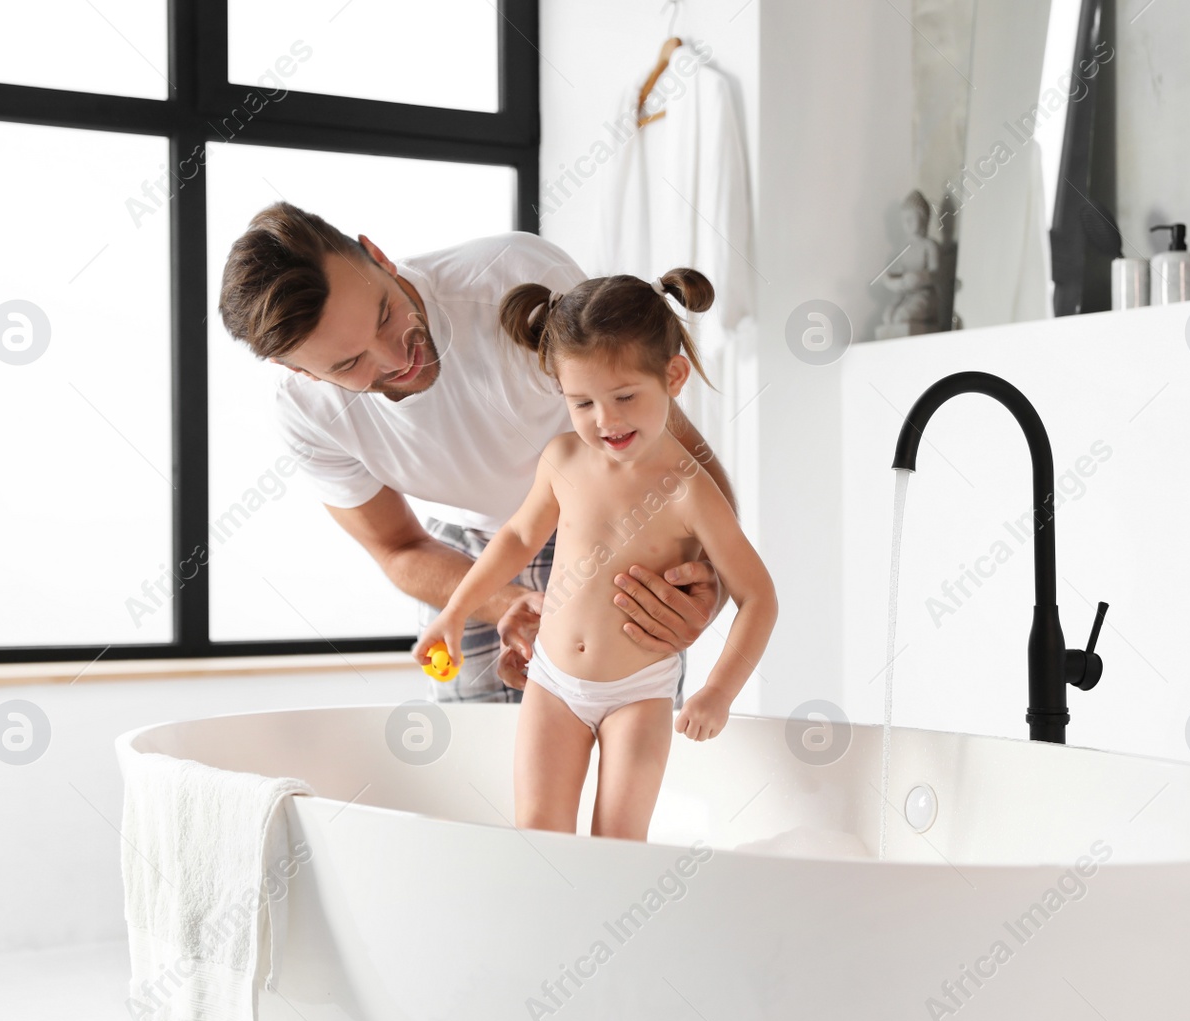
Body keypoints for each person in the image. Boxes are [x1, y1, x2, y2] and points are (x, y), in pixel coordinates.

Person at [218, 202, 738, 701]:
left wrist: (706, 585)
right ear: (302, 373)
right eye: (349, 363)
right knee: (478, 766)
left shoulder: (515, 280)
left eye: (383, 316)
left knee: (627, 750)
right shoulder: (305, 413)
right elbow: (398, 547)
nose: (397, 358)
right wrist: (508, 601)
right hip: (462, 550)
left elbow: (679, 460)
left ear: (377, 255)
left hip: (604, 518)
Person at [413, 269, 777, 841]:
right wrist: (455, 611)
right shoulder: (562, 458)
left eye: (625, 396)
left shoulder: (688, 487)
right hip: (553, 683)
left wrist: (718, 692)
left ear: (674, 376)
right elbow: (514, 539)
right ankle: (551, 931)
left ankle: (610, 927)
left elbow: (758, 597)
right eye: (581, 402)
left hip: (639, 693)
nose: (606, 421)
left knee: (618, 840)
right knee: (536, 831)